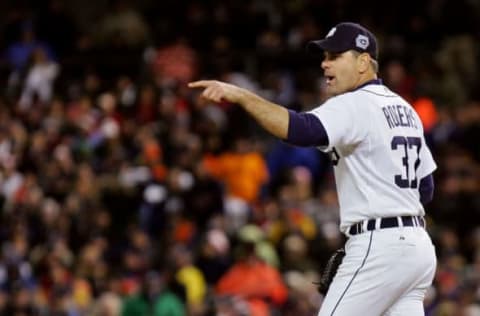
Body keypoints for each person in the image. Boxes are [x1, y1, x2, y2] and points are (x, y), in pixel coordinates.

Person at [189, 22, 437, 316]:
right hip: (418, 249)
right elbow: (426, 189)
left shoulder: (355, 103)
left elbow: (300, 130)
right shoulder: (405, 109)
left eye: (334, 56)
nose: (324, 63)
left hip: (379, 245)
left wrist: (242, 96)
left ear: (363, 62)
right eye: (324, 56)